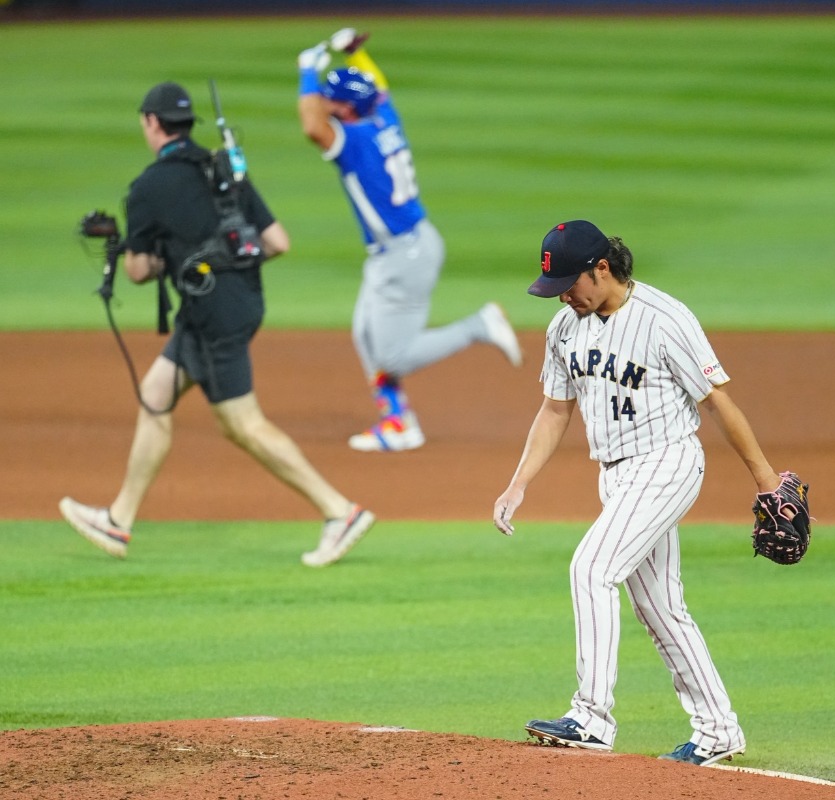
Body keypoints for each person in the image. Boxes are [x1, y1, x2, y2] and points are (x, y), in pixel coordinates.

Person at [492, 220, 797, 766]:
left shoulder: (665, 320)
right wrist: (520, 482)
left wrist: (767, 480)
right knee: (661, 609)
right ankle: (717, 730)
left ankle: (590, 716)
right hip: (616, 477)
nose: (563, 294)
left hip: (669, 463)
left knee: (591, 568)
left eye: (570, 282)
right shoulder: (564, 328)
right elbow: (555, 409)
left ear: (601, 269)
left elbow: (718, 402)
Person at [59, 81, 375, 569]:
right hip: (240, 303)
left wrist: (125, 246)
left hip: (210, 315)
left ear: (151, 123)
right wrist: (220, 267)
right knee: (157, 394)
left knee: (243, 425)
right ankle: (118, 519)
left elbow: (140, 272)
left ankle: (340, 511)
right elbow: (277, 242)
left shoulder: (147, 188)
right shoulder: (224, 166)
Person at [296, 28, 523, 453]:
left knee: (393, 356)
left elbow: (311, 126)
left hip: (404, 256)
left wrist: (308, 70)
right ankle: (398, 422)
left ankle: (478, 326)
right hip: (403, 249)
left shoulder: (353, 142)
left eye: (330, 97)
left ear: (345, 109)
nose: (323, 102)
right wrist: (357, 55)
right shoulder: (384, 119)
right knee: (365, 333)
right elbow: (378, 89)